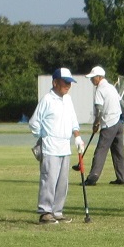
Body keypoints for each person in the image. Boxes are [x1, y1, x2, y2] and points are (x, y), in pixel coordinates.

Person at [29, 67, 83, 224]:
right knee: (49, 179)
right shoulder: (47, 99)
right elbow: (34, 123)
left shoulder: (68, 99)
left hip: (65, 146)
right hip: (50, 146)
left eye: (69, 83)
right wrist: (43, 136)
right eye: (65, 82)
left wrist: (77, 138)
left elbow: (73, 121)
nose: (68, 85)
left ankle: (57, 211)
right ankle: (45, 212)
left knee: (62, 181)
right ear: (55, 82)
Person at [84, 65, 124, 186]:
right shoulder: (111, 87)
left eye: (92, 78)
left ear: (99, 77)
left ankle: (92, 177)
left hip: (109, 123)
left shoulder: (100, 90)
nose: (91, 80)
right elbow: (123, 104)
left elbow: (99, 110)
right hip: (119, 123)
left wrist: (96, 124)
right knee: (118, 151)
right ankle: (122, 178)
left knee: (101, 150)